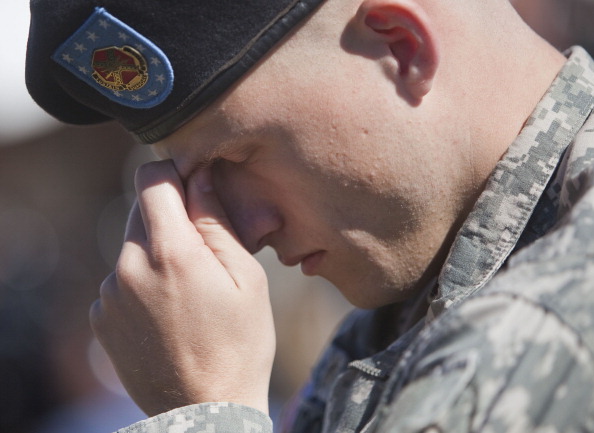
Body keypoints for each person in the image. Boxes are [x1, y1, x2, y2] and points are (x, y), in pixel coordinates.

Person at [25, 0, 594, 431]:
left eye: (237, 155)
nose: (241, 232)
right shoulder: (409, 310)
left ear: (401, 48)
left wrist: (205, 408)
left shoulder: (542, 316)